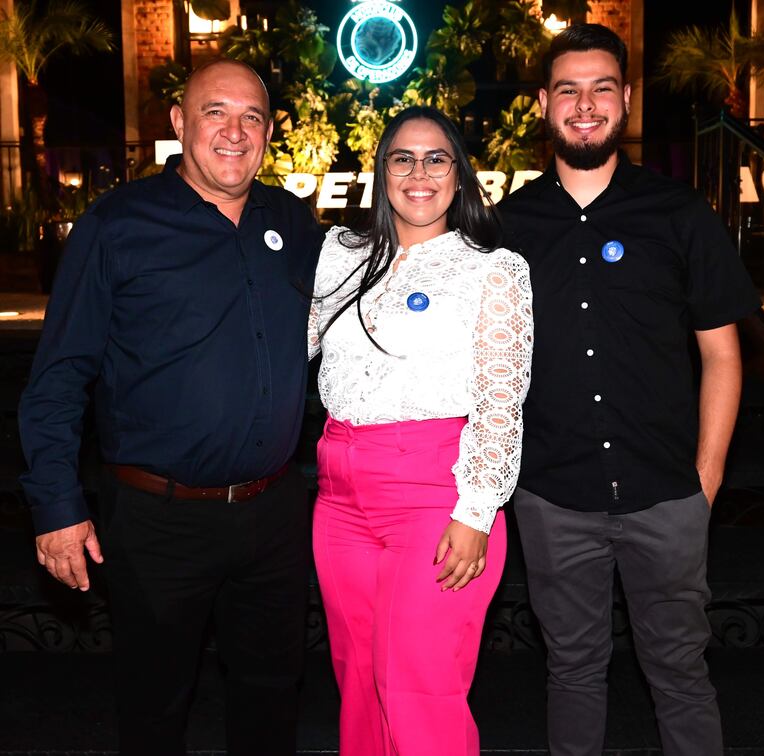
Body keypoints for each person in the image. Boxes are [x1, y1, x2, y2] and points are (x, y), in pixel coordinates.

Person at [18, 59, 323, 756]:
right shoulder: (117, 225)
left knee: (272, 699)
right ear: (181, 122)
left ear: (268, 132)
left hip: (273, 514)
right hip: (158, 520)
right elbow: (59, 375)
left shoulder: (290, 221)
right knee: (154, 707)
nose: (234, 132)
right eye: (216, 112)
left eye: (251, 117)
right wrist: (57, 506)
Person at [497, 24, 761, 756]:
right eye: (569, 90)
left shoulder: (679, 213)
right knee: (572, 673)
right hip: (552, 496)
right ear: (544, 103)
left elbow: (723, 354)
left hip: (667, 495)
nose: (585, 105)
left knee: (681, 674)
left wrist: (706, 481)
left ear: (627, 99)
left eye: (602, 88)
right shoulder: (508, 227)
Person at [308, 105, 533, 756]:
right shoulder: (339, 254)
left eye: (437, 159)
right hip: (338, 496)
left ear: (460, 176)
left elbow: (500, 401)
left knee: (416, 691)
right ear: (381, 173)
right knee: (359, 684)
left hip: (436, 494)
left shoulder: (493, 268)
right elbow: (290, 343)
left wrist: (477, 510)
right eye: (402, 159)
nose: (419, 173)